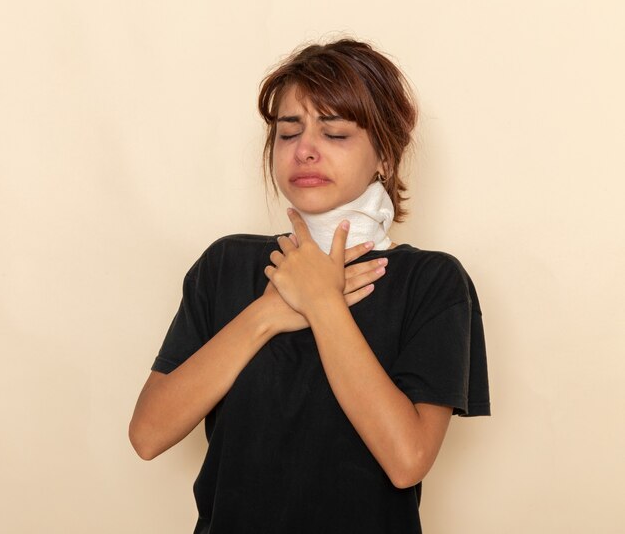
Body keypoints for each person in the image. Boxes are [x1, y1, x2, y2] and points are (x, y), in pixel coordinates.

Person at [128, 38, 490, 533]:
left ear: (385, 155)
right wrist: (268, 314)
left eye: (335, 133)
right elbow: (148, 434)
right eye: (287, 132)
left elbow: (407, 460)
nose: (305, 150)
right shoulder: (226, 265)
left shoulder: (432, 282)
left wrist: (322, 303)